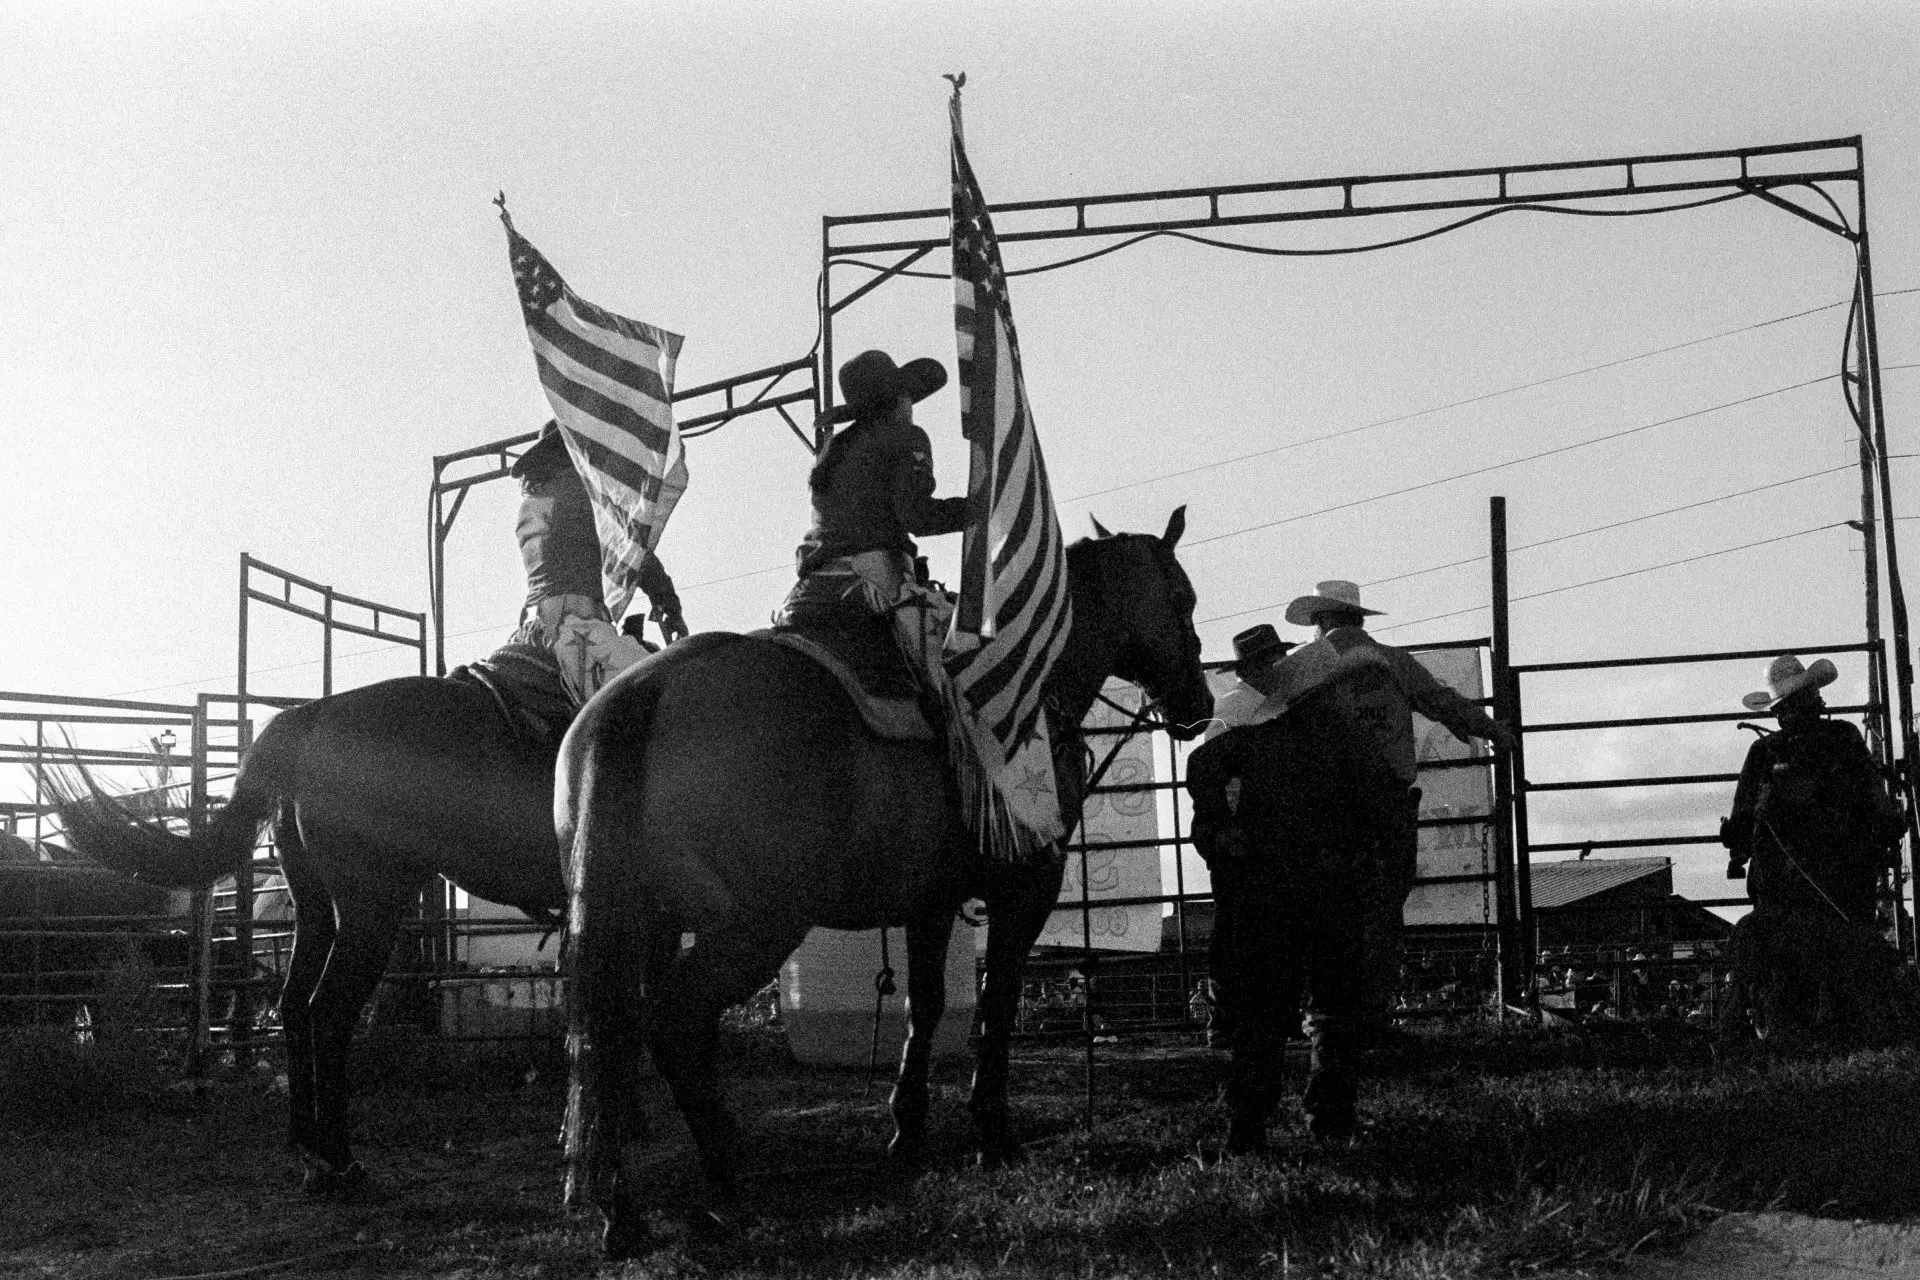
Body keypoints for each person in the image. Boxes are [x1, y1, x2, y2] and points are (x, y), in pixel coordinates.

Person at [1265, 580, 1512, 1027]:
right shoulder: (1394, 662)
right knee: (1381, 909)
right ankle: (1372, 1012)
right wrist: (1492, 730)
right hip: (1388, 801)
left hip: (1324, 807)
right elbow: (1443, 702)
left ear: (1320, 623)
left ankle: (1324, 1014)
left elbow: (1260, 725)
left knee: (1324, 908)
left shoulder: (1299, 668)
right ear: (1358, 619)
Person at [1186, 678, 1404, 1151]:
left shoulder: (1255, 741)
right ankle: (1329, 1117)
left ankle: (1248, 1124)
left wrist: (1218, 831)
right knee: (1333, 1007)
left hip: (1268, 888)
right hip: (1329, 886)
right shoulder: (1351, 752)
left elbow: (1200, 766)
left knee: (1263, 1011)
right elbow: (1385, 806)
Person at [774, 349, 971, 692]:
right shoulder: (906, 437)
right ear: (898, 399)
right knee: (965, 674)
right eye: (908, 397)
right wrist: (982, 509)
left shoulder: (833, 451)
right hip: (877, 583)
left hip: (812, 591)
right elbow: (919, 518)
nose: (911, 406)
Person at [510, 420, 688, 708]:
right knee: (658, 695)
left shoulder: (532, 504)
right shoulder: (586, 496)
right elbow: (634, 553)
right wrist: (667, 603)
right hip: (576, 627)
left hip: (532, 628)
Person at [1721, 654, 1903, 927]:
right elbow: (1877, 804)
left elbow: (1742, 823)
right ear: (1814, 698)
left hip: (1779, 887)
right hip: (1846, 881)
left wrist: (1739, 846)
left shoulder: (1764, 751)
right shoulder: (1844, 736)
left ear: (1779, 710)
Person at [1197, 624, 1295, 1047]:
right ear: (1258, 665)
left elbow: (1207, 773)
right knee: (1253, 923)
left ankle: (1231, 1018)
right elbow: (1215, 777)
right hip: (1246, 828)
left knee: (1240, 923)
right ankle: (1253, 1016)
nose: (1280, 665)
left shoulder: (1234, 708)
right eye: (1274, 659)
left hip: (1241, 828)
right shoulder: (1242, 710)